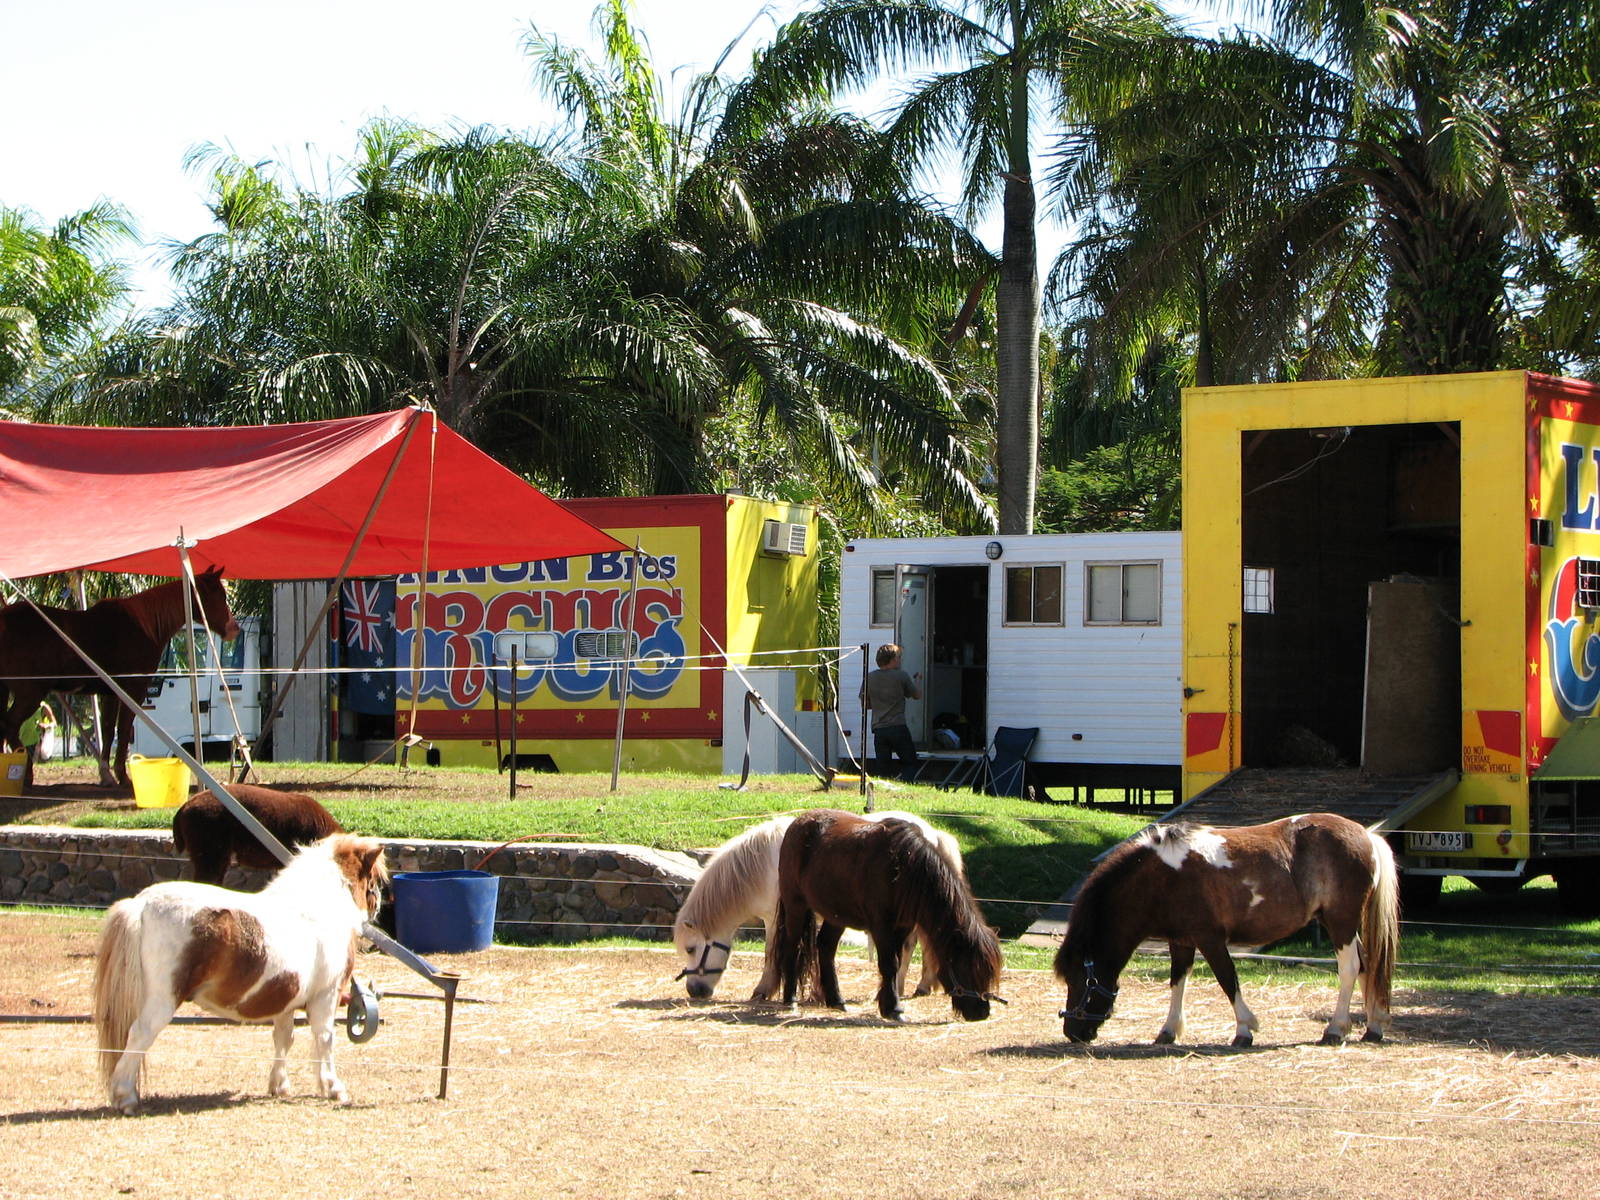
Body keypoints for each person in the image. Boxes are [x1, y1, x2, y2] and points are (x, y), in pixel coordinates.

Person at [861, 643, 922, 781]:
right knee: (910, 762)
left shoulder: (869, 678)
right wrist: (918, 680)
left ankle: (884, 790)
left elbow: (865, 705)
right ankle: (905, 783)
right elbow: (917, 695)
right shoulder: (901, 676)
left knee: (883, 767)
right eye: (899, 657)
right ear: (893, 659)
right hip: (897, 726)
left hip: (879, 728)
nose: (900, 660)